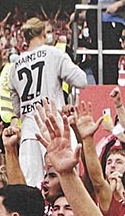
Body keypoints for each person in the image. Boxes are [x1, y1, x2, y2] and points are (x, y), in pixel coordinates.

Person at [11, 17, 88, 186]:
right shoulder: (54, 54)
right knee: (66, 180)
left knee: (31, 186)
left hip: (29, 130)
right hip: (55, 126)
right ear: (44, 33)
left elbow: (16, 109)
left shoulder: (15, 66)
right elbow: (82, 80)